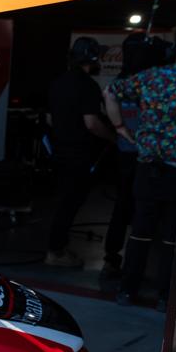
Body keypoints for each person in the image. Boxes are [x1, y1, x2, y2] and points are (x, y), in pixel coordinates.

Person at [111, 29, 176, 309]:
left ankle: (127, 291)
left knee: (140, 231)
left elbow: (109, 92)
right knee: (172, 236)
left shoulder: (154, 76)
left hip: (149, 167)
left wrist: (121, 129)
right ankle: (165, 296)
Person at [100, 34, 170, 279]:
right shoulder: (152, 82)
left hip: (127, 153)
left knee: (124, 207)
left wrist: (119, 128)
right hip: (146, 156)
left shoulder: (125, 82)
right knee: (149, 210)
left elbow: (108, 97)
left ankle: (115, 258)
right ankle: (137, 263)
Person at [44, 37, 114, 267]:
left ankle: (57, 248)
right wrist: (114, 137)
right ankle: (56, 252)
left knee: (64, 201)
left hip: (59, 151)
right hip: (78, 154)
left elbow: (50, 118)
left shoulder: (58, 82)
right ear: (91, 58)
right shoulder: (88, 86)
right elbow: (92, 123)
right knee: (70, 203)